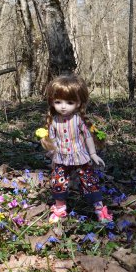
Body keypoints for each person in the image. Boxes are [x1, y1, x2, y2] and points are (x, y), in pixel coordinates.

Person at [38, 75, 112, 223]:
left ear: (78, 103)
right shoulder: (53, 121)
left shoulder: (78, 120)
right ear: (52, 102)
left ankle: (99, 209)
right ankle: (60, 208)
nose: (63, 106)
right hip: (61, 157)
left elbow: (88, 136)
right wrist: (52, 152)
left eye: (69, 102)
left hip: (80, 156)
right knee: (58, 182)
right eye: (58, 102)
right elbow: (52, 139)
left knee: (89, 181)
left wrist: (93, 153)